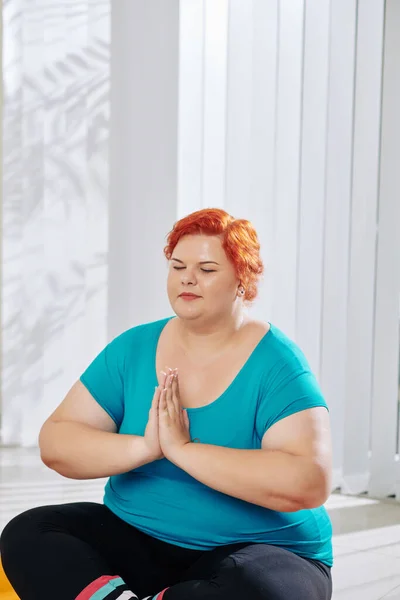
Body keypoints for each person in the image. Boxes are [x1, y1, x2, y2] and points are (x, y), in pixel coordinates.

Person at [0, 208, 333, 600]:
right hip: (139, 539)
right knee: (29, 532)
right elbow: (57, 443)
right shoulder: (134, 348)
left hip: (256, 553)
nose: (188, 278)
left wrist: (183, 450)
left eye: (207, 269)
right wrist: (146, 447)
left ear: (242, 280)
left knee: (253, 590)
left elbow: (308, 481)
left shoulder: (277, 362)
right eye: (178, 266)